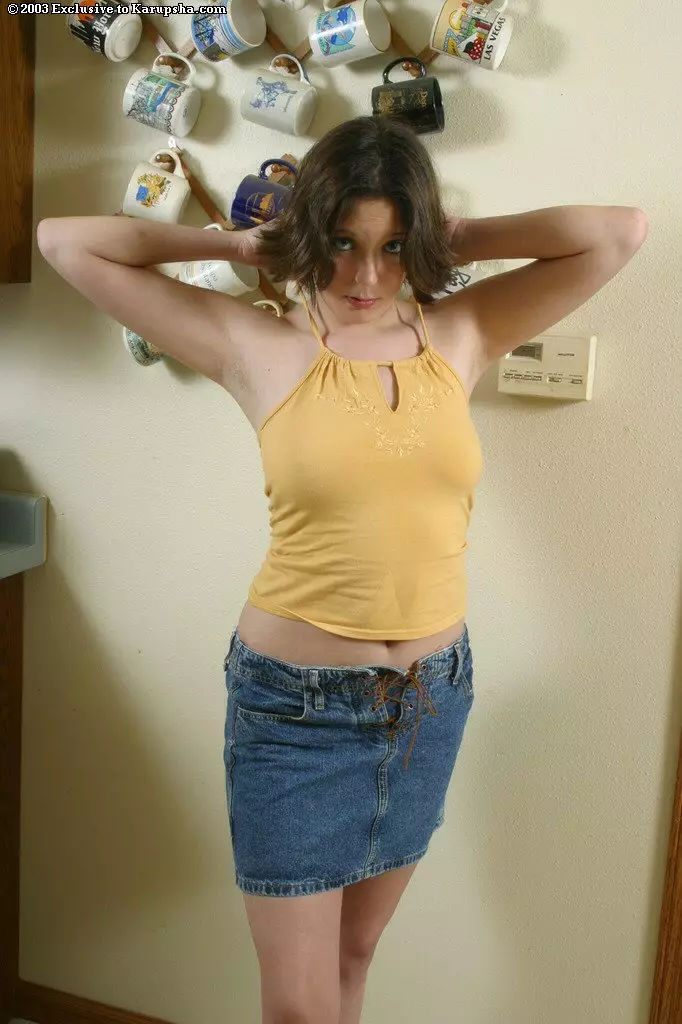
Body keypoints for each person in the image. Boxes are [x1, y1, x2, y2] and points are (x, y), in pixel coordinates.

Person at [37, 115, 648, 1024]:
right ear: (309, 234)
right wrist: (241, 244)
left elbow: (618, 232)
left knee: (354, 958)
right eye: (341, 243)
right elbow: (66, 242)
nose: (364, 278)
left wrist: (444, 236)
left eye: (391, 247)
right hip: (296, 715)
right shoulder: (255, 345)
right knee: (297, 1005)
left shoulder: (463, 332)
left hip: (430, 702)